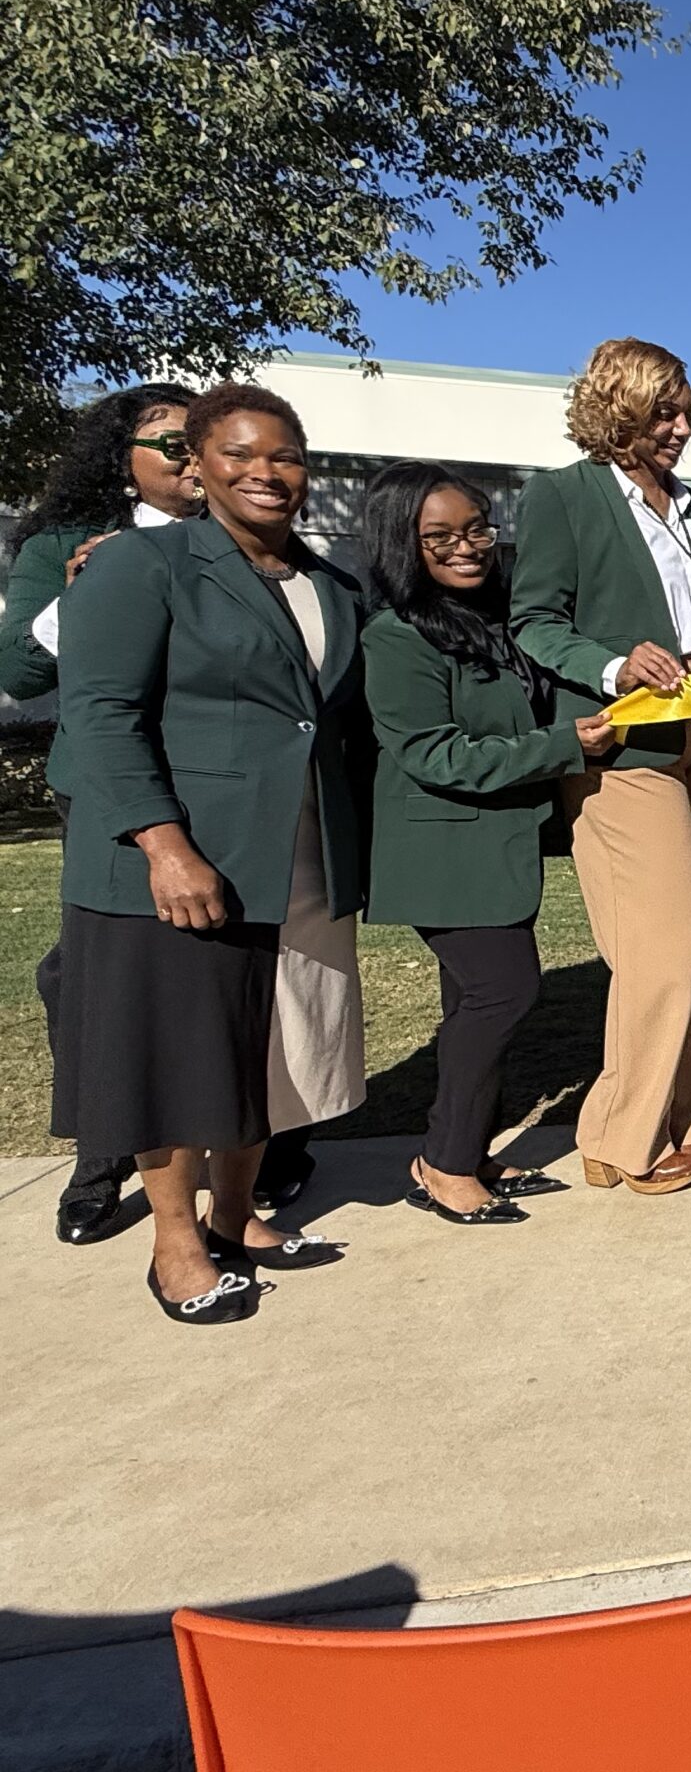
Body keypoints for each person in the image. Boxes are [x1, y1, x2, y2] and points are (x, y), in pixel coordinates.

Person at [52, 382, 362, 1323]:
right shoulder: (143, 563)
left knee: (265, 1045)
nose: (266, 473)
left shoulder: (329, 583)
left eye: (285, 456)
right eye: (239, 454)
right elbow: (100, 714)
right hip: (184, 858)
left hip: (298, 852)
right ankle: (175, 1243)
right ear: (199, 463)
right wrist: (163, 842)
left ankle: (237, 1214)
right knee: (177, 1054)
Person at [511, 337, 691, 1197]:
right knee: (660, 945)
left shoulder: (690, 506)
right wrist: (615, 666)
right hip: (625, 747)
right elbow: (535, 621)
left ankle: (687, 1122)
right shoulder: (564, 496)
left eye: (687, 410)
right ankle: (620, 1135)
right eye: (667, 412)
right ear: (619, 407)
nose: (685, 426)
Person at [361, 463, 614, 1221]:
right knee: (505, 991)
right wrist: (562, 746)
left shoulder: (492, 621)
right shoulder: (396, 635)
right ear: (402, 543)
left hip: (496, 848)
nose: (467, 546)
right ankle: (443, 1162)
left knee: (474, 1000)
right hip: (444, 852)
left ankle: (464, 1150)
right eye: (439, 536)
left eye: (476, 528)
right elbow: (435, 754)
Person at [0, 382, 198, 1245]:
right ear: (123, 462)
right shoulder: (60, 547)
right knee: (92, 970)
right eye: (171, 445)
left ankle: (248, 1141)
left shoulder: (241, 543)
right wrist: (76, 592)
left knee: (219, 966)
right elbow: (22, 676)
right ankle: (101, 1150)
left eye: (203, 444)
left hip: (219, 780)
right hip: (107, 783)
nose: (191, 461)